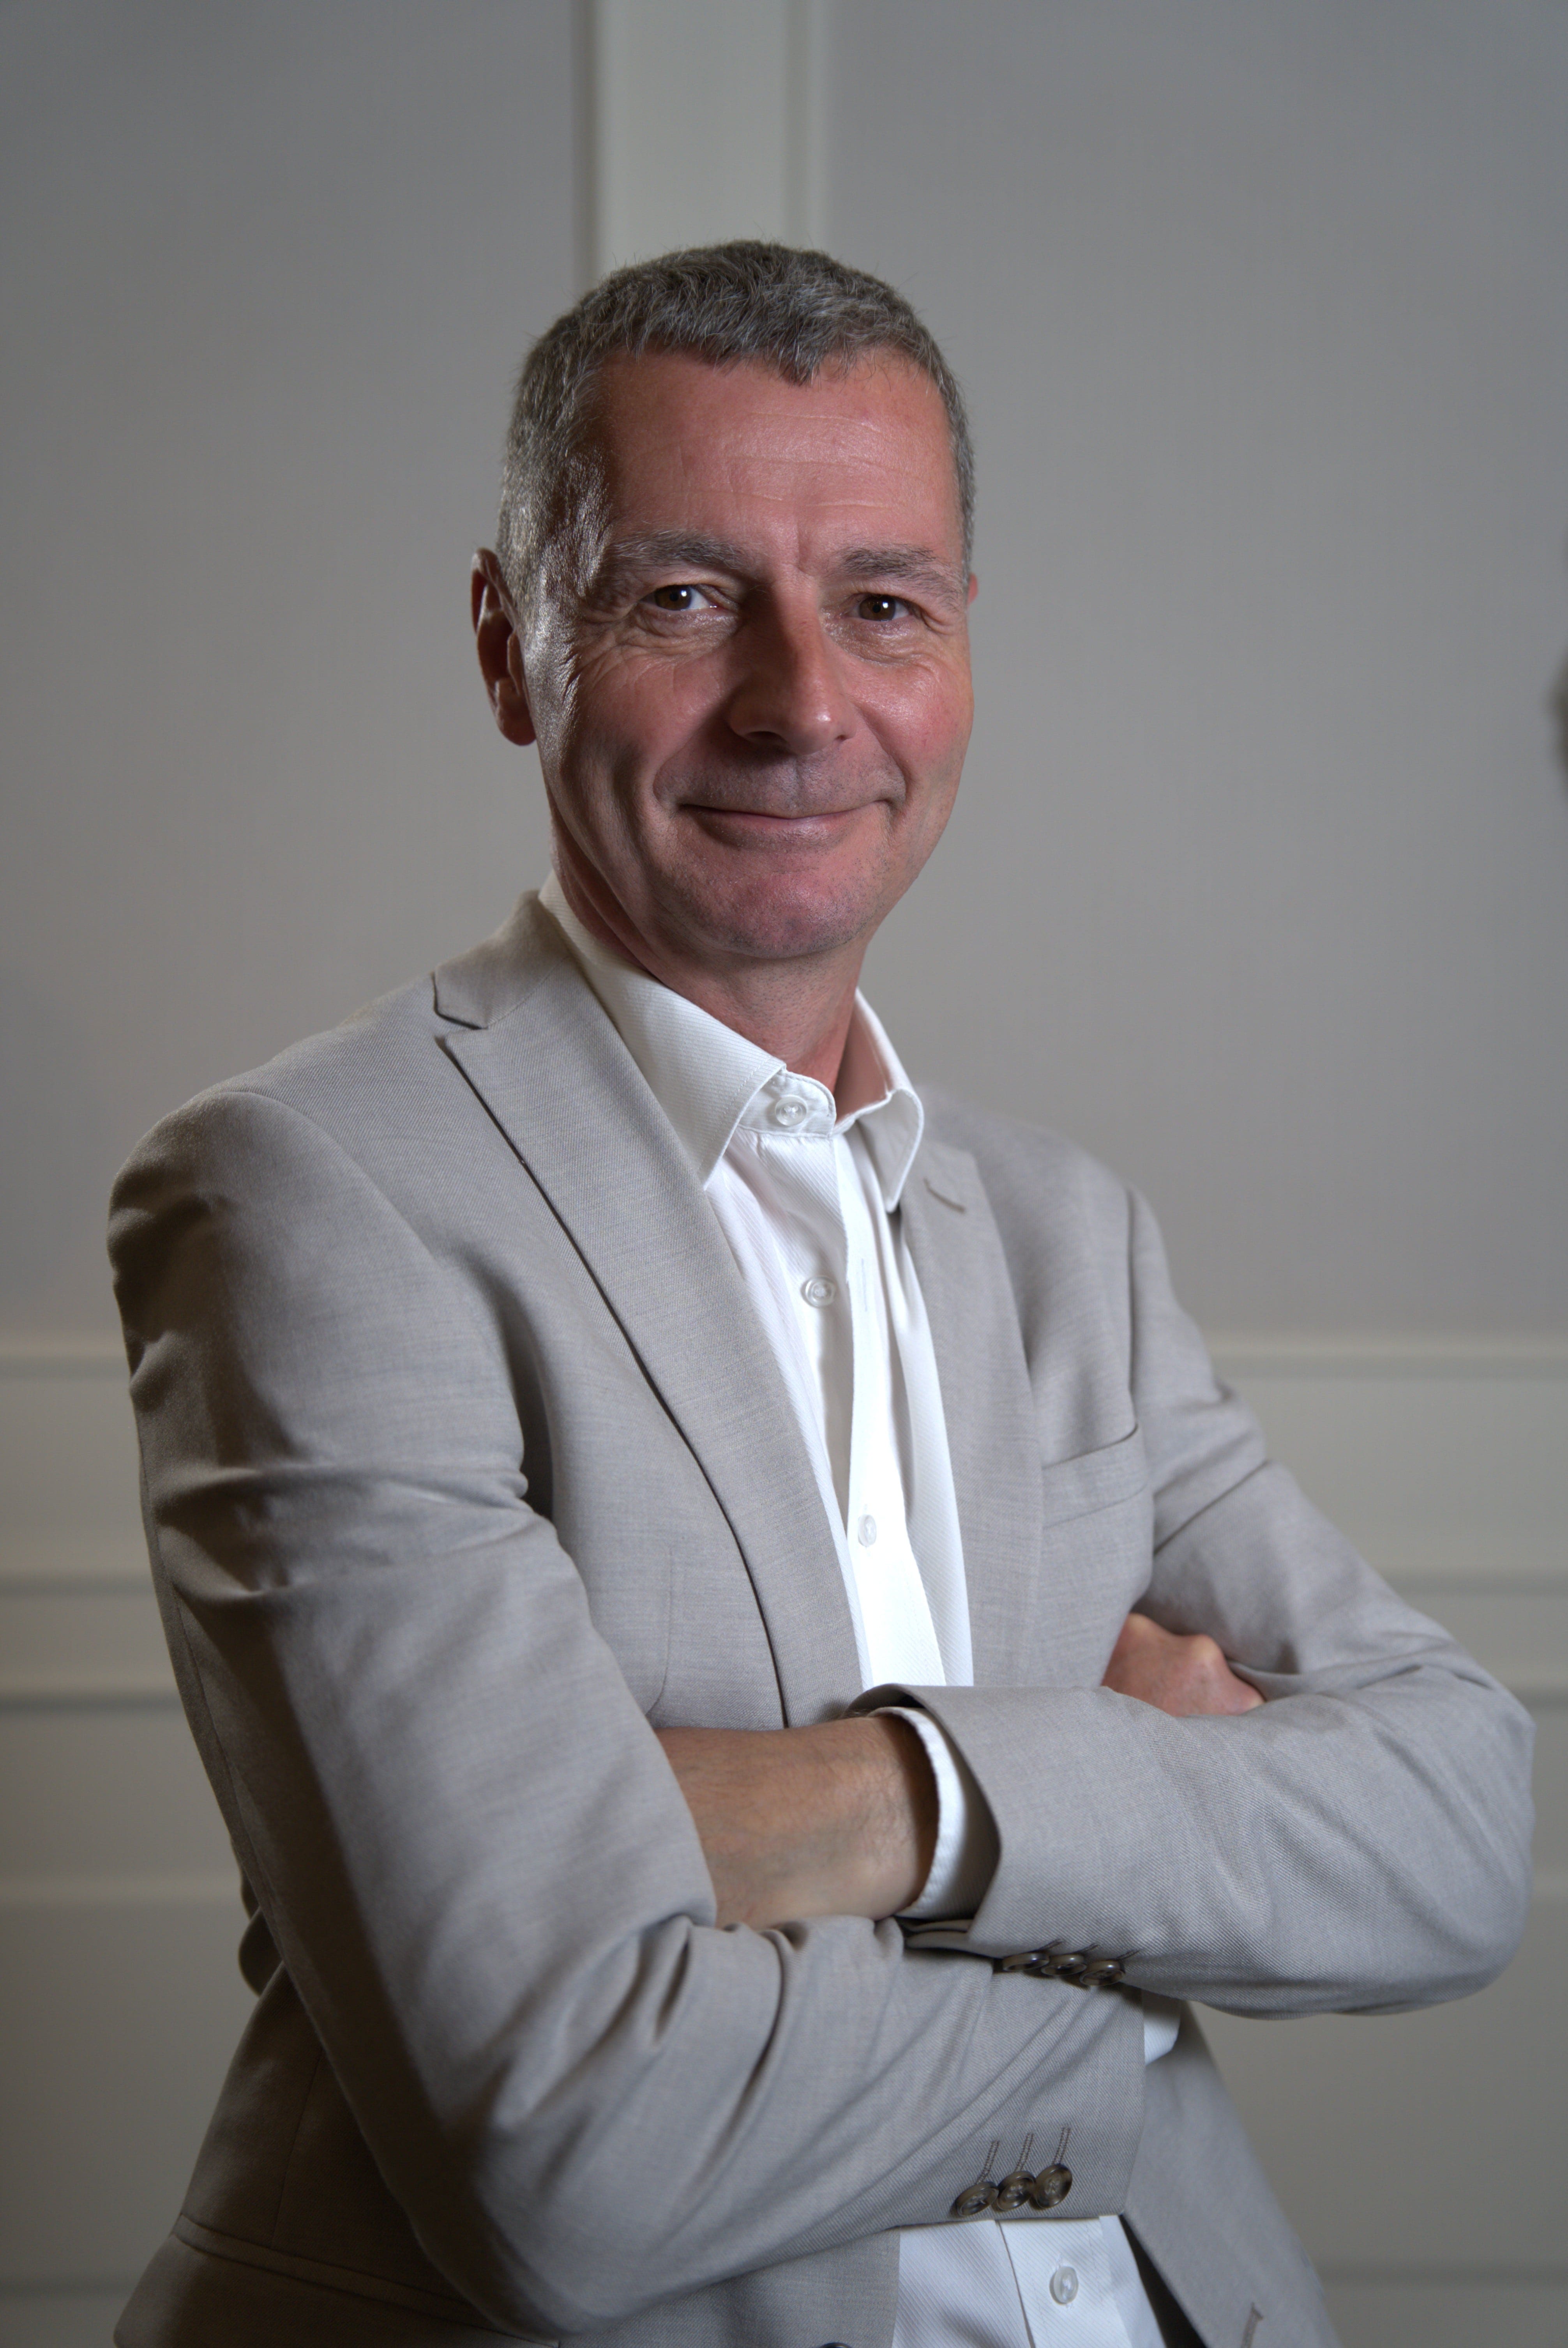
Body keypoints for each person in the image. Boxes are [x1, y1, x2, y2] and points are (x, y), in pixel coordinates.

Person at [107, 244, 1533, 2348]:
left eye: (882, 604)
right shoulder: (312, 1201)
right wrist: (1131, 1971)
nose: (800, 704)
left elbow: (1458, 1834)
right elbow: (571, 2151)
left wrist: (889, 1803)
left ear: (961, 649)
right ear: (510, 648)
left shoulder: (1060, 1233)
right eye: (686, 598)